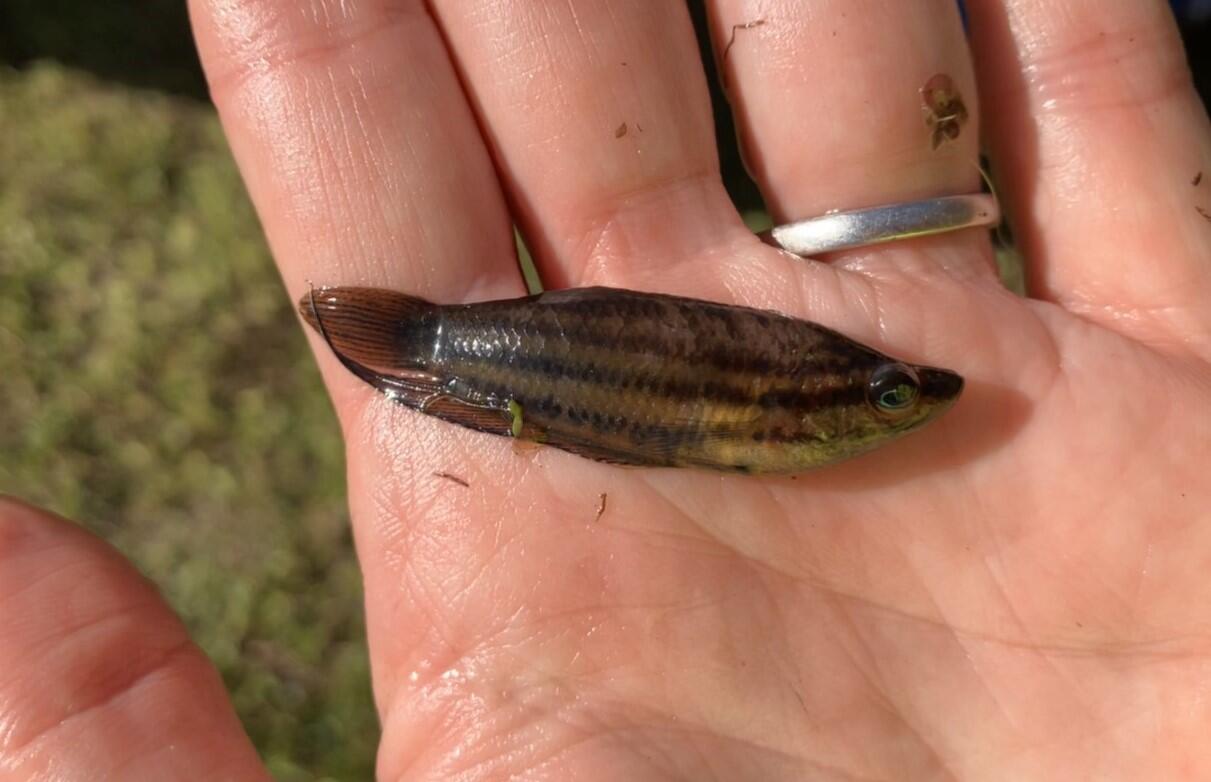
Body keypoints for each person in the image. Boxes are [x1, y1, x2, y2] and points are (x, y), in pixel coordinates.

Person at [3, 0, 1210, 778]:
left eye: (892, 398)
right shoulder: (818, 406)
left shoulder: (816, 411)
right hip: (540, 361)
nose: (905, 404)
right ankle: (422, 347)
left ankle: (422, 349)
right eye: (889, 399)